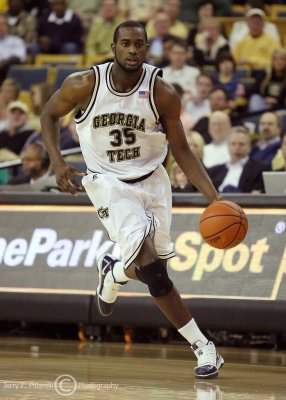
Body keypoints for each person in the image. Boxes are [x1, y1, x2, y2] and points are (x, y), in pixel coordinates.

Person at [41, 20, 224, 379]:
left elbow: (182, 149)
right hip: (109, 184)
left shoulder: (163, 93)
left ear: (146, 48)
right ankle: (204, 347)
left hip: (153, 182)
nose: (132, 50)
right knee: (154, 271)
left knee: (156, 273)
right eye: (125, 44)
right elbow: (48, 114)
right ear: (113, 48)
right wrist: (58, 162)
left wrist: (215, 198)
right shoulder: (84, 84)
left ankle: (114, 270)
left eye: (139, 44)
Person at [207, 126, 268, 193]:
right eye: (233, 144)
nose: (237, 147)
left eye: (241, 144)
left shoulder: (259, 169)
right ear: (228, 147)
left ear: (249, 147)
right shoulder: (214, 171)